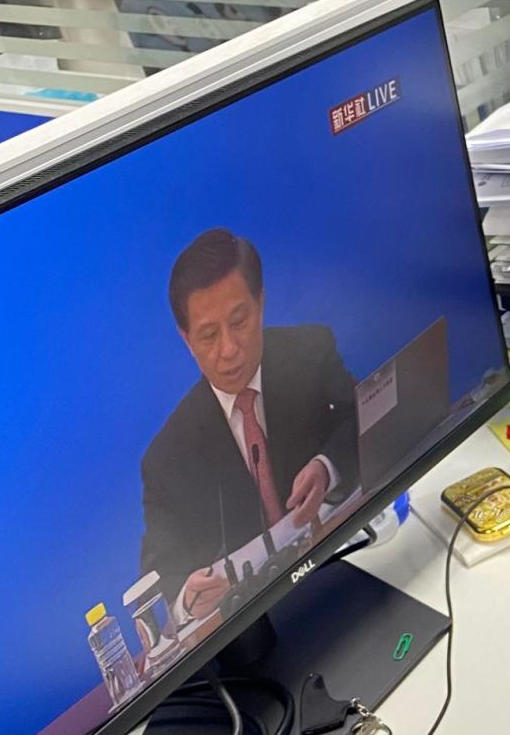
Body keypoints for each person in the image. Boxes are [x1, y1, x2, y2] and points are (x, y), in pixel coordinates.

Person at [139, 228, 359, 619]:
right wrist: (187, 597)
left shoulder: (309, 351)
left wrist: (327, 467)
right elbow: (162, 574)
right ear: (186, 340)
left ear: (261, 303)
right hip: (254, 623)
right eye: (208, 335)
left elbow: (360, 415)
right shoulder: (166, 458)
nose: (228, 349)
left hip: (343, 563)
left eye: (239, 321)